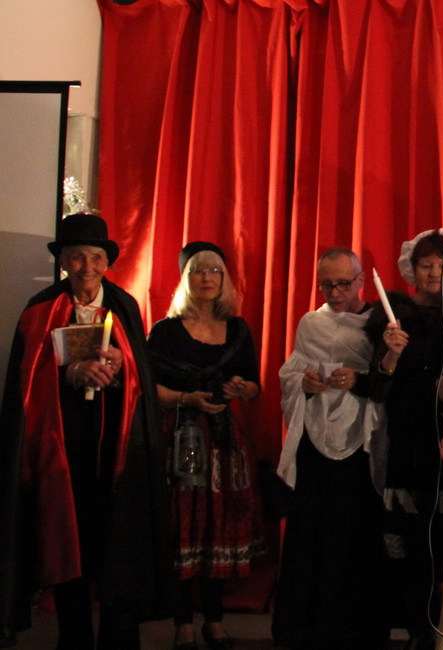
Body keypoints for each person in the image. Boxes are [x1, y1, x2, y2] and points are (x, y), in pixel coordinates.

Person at [0, 213, 173, 649]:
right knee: (67, 537)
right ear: (63, 261)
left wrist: (120, 366)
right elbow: (25, 382)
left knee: (119, 537)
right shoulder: (41, 308)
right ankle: (73, 637)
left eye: (96, 257)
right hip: (62, 445)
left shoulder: (124, 305)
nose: (87, 267)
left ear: (107, 262)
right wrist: (70, 373)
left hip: (116, 445)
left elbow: (141, 377)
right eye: (77, 257)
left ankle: (119, 637)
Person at [147, 242, 264, 650]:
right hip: (180, 438)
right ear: (186, 278)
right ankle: (183, 623)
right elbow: (147, 388)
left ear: (224, 278)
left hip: (224, 443)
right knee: (183, 529)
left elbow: (254, 385)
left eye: (215, 271)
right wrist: (187, 398)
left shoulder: (238, 328)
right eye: (199, 270)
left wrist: (241, 388)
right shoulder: (165, 331)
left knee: (219, 530)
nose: (208, 278)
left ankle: (214, 621)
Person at [274, 247, 389, 649]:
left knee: (355, 535)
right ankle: (304, 629)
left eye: (343, 283)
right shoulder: (311, 323)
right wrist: (303, 383)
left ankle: (355, 631)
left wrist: (359, 380)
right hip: (315, 441)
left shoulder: (380, 323)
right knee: (310, 534)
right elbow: (290, 371)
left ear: (360, 281)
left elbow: (390, 379)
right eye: (327, 285)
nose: (336, 293)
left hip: (360, 445)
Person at [367, 229, 443, 646]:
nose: (436, 271)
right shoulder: (391, 319)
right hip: (407, 440)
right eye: (426, 264)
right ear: (411, 270)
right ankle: (420, 631)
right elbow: (376, 389)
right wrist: (391, 354)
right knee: (411, 547)